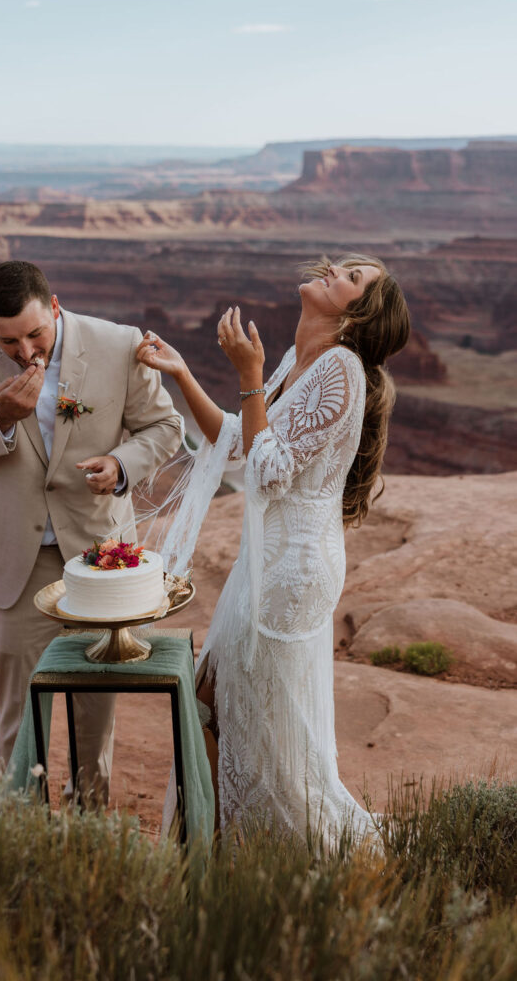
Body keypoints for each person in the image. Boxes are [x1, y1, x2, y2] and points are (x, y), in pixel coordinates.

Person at [137, 253, 410, 842]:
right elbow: (238, 442)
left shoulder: (343, 370)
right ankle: (209, 855)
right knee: (217, 700)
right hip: (265, 560)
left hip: (294, 573)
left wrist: (249, 376)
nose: (335, 269)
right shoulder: (297, 360)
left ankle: (258, 859)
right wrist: (183, 373)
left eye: (352, 278)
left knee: (257, 724)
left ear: (356, 315)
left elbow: (270, 474)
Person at [0, 260, 182, 796]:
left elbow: (164, 426)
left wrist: (121, 464)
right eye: (8, 339)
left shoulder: (117, 344)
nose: (24, 350)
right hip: (17, 563)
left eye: (35, 333)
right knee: (21, 712)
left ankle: (91, 819)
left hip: (98, 561)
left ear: (55, 306)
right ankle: (24, 824)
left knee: (95, 712)